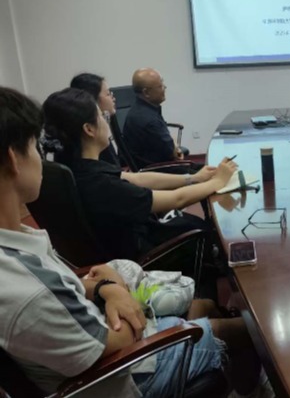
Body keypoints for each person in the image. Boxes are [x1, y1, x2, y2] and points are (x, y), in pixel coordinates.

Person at [0, 86, 267, 398]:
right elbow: (124, 337)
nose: (40, 158)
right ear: (13, 160)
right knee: (250, 332)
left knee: (208, 307)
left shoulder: (17, 245)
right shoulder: (29, 290)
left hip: (107, 334)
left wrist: (106, 287)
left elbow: (68, 287)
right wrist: (119, 289)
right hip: (128, 373)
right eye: (34, 147)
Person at [42, 88, 235, 261]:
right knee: (201, 229)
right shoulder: (100, 184)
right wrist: (217, 181)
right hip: (147, 257)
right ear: (89, 129)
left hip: (129, 240)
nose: (106, 120)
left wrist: (193, 178)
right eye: (102, 116)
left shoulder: (77, 168)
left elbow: (138, 178)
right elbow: (177, 199)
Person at [123, 68, 188, 169]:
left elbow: (169, 143)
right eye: (160, 86)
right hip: (158, 170)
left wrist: (174, 146)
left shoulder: (143, 109)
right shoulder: (149, 121)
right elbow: (172, 153)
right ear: (146, 92)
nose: (164, 88)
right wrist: (176, 148)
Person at [70, 72, 121, 166]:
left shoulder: (111, 119)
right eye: (108, 94)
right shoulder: (93, 139)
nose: (113, 98)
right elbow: (112, 171)